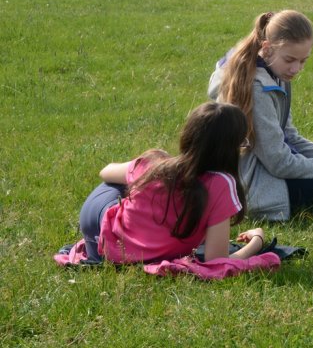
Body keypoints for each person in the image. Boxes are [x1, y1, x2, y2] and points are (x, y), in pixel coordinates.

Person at [209, 10, 313, 221]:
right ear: (267, 48)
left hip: (272, 166)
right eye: (290, 60)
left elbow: (290, 136)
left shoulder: (277, 72)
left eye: (303, 61)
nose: (296, 69)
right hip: (254, 180)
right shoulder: (257, 88)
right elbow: (278, 162)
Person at [76, 101, 265, 264]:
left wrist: (155, 165)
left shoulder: (156, 165)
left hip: (99, 227)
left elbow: (106, 172)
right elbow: (216, 261)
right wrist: (257, 241)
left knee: (132, 182)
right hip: (111, 231)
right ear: (231, 149)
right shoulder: (221, 184)